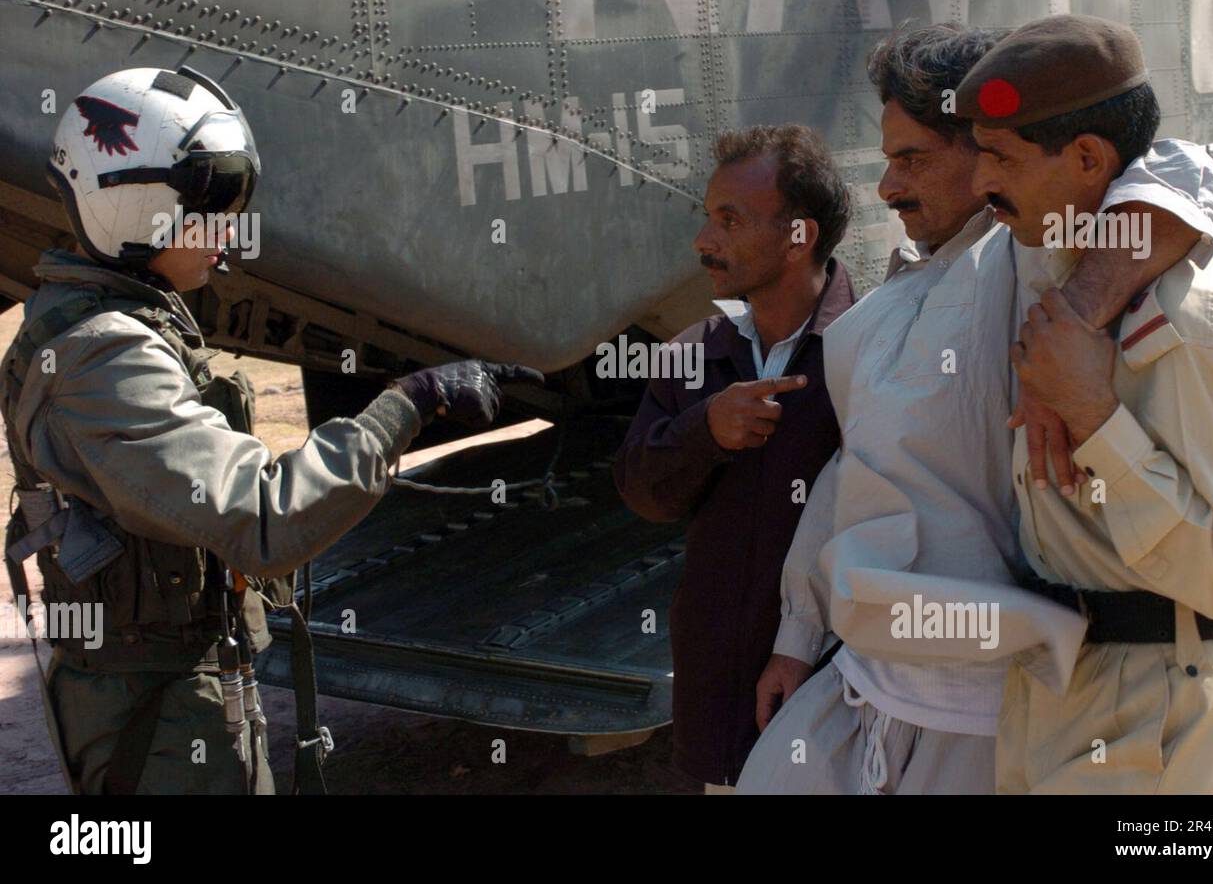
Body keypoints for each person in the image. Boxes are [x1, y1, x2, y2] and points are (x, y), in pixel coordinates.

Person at [1, 66, 541, 794]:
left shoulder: (100, 319)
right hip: (158, 718)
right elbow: (263, 517)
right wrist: (407, 404)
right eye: (211, 209)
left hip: (163, 693)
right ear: (134, 210)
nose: (228, 234)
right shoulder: (105, 354)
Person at [738, 22, 1213, 794]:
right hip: (861, 676)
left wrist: (1071, 320)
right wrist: (798, 634)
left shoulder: (1030, 262)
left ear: (996, 150)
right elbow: (851, 469)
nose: (888, 187)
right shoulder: (892, 294)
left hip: (986, 706)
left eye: (913, 160)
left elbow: (1180, 167)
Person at [955, 13, 1213, 793]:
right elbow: (1173, 170)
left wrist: (1092, 414)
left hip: (1154, 702)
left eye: (999, 159)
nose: (979, 185)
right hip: (1059, 678)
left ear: (1085, 159)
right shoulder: (1056, 259)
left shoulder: (1203, 324)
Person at [614, 125, 854, 792]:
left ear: (799, 236)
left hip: (837, 690)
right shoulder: (695, 352)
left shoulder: (872, 348)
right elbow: (641, 490)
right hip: (718, 696)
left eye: (730, 220)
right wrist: (705, 431)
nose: (704, 241)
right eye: (707, 217)